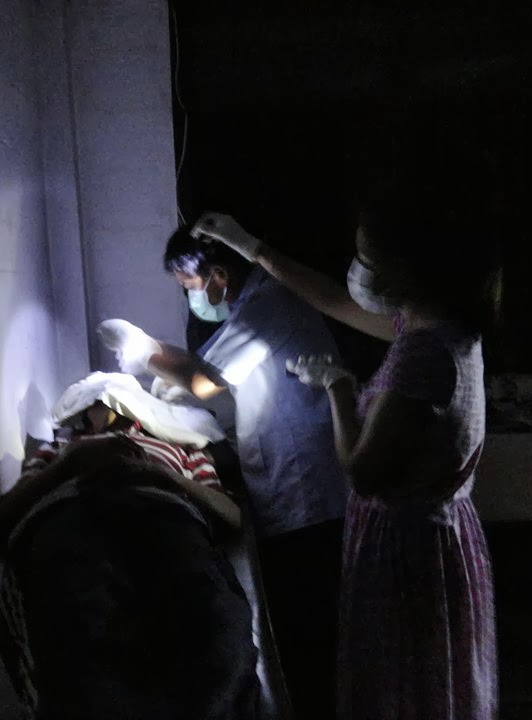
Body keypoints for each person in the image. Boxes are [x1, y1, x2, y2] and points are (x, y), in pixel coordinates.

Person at [190, 200, 499, 719]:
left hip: (407, 547)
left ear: (409, 266)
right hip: (439, 533)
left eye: (367, 260)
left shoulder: (422, 353)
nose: (357, 271)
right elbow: (332, 298)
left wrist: (337, 388)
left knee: (401, 682)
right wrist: (252, 248)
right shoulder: (445, 325)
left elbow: (361, 470)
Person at [97, 230, 351, 719]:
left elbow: (205, 380)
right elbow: (212, 371)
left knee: (310, 627)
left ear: (218, 275)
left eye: (189, 285)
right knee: (300, 626)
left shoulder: (268, 307)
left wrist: (144, 350)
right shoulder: (251, 308)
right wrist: (172, 380)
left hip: (307, 494)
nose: (191, 297)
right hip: (290, 485)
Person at [0, 385, 258, 720]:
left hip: (166, 514)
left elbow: (230, 514)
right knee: (76, 630)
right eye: (96, 401)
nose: (106, 406)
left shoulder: (178, 448)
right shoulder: (62, 447)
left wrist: (159, 473)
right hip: (71, 512)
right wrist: (72, 462)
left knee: (212, 626)